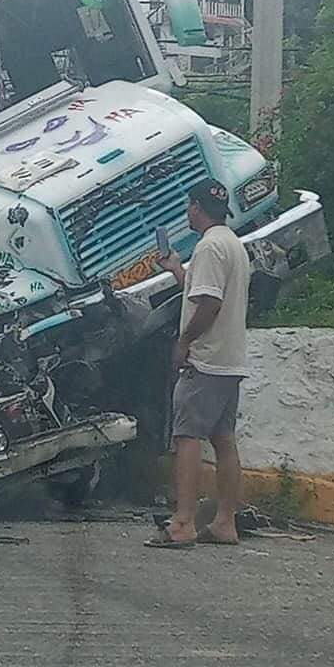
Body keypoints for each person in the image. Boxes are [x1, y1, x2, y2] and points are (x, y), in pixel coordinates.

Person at [146, 179, 251, 550]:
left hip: (204, 361)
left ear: (196, 207)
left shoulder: (208, 247)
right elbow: (201, 291)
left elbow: (209, 304)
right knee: (224, 439)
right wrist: (176, 269)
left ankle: (183, 522)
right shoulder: (233, 245)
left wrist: (185, 341)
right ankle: (225, 522)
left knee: (187, 437)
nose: (187, 211)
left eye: (190, 205)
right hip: (230, 359)